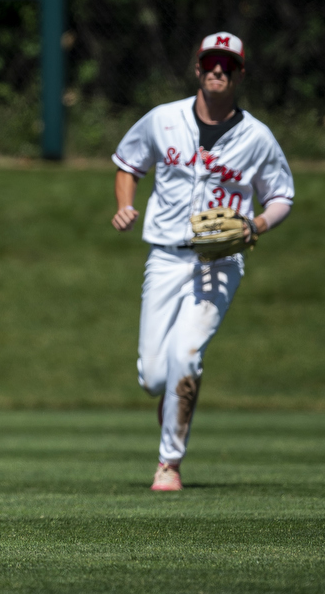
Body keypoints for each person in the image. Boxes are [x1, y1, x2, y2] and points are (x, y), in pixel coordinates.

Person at [111, 32, 295, 491]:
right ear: (198, 68)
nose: (218, 70)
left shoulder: (257, 137)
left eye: (227, 65)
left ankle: (168, 463)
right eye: (211, 63)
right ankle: (175, 396)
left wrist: (257, 225)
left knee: (185, 355)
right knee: (154, 374)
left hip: (220, 261)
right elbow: (129, 163)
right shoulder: (163, 119)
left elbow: (281, 195)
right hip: (165, 257)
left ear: (239, 74)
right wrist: (125, 204)